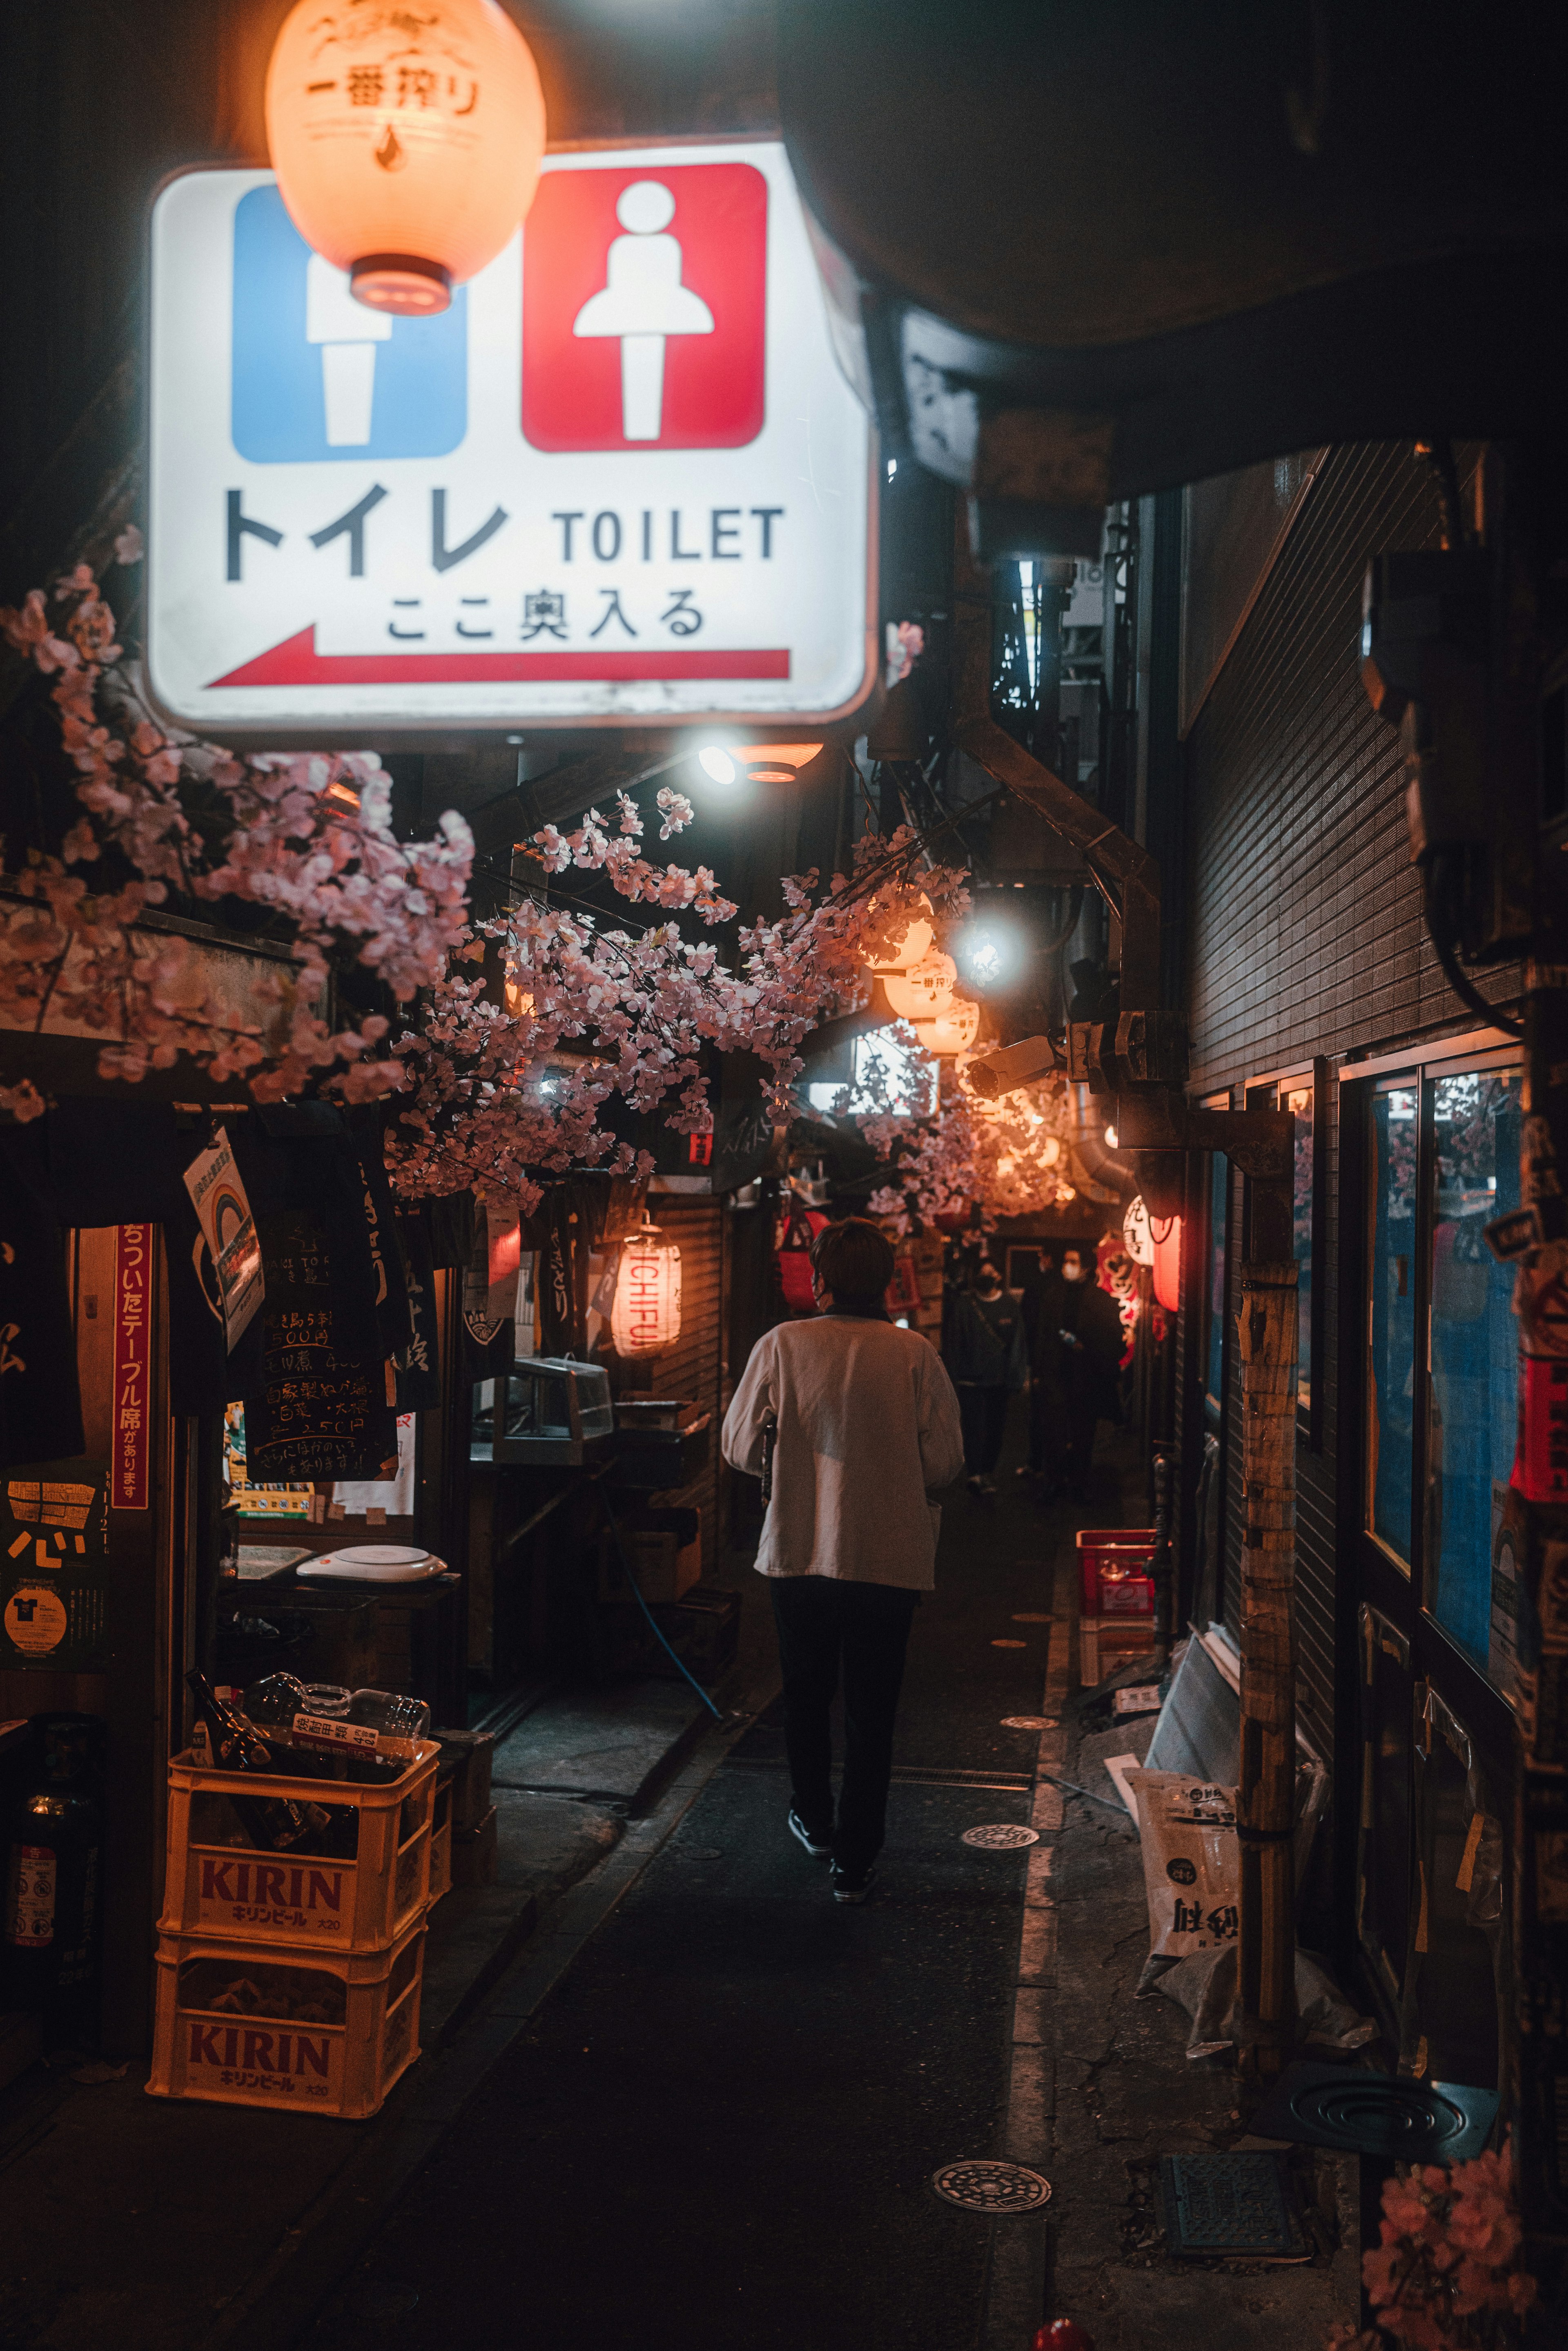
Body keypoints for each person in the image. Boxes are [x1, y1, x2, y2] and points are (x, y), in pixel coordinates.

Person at [721, 1217, 964, 1903]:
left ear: (820, 1280)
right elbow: (946, 1464)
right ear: (889, 1280)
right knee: (872, 1710)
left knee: (805, 1696)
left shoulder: (782, 1346)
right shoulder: (915, 1354)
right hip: (889, 1559)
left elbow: (739, 1450)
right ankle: (855, 1860)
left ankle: (815, 1820)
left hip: (800, 1555)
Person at [1030, 1241, 1123, 1500]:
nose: (1067, 1267)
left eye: (1073, 1262)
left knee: (1083, 1433)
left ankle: (1079, 1481)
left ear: (1086, 1268)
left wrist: (1087, 1346)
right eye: (1066, 1262)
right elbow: (1043, 1335)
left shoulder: (1102, 1301)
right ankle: (1054, 1480)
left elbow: (1113, 1341)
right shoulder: (1054, 1295)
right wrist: (1038, 1371)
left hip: (1086, 1377)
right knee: (1054, 1433)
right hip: (1056, 1375)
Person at [944, 1257, 1029, 1495]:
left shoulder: (1009, 1306)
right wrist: (951, 1378)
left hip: (998, 1381)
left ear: (998, 1276)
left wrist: (1017, 1376)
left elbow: (1017, 1344)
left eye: (990, 1272)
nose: (987, 1276)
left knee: (995, 1428)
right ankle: (974, 1473)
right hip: (970, 1381)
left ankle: (987, 1472)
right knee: (972, 1428)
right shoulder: (964, 1306)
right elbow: (953, 1344)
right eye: (982, 1273)